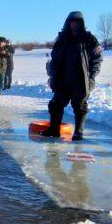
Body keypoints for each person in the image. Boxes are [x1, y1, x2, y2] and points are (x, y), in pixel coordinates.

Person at [42, 11, 103, 140]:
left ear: (82, 24)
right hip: (63, 79)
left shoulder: (89, 39)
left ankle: (78, 132)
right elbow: (54, 58)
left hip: (81, 80)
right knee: (55, 104)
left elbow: (98, 58)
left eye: (77, 22)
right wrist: (52, 74)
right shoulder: (61, 39)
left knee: (80, 106)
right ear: (68, 23)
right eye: (72, 22)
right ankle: (54, 129)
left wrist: (91, 76)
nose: (74, 25)